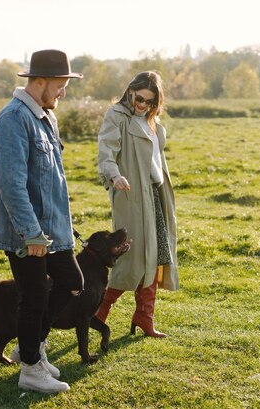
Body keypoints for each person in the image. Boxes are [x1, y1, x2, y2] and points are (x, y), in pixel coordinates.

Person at [0, 49, 84, 394]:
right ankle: (30, 368)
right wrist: (32, 233)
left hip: (51, 228)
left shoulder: (45, 116)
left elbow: (50, 180)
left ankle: (31, 348)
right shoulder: (13, 119)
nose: (63, 92)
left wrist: (59, 225)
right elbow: (11, 185)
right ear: (39, 82)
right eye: (60, 85)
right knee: (35, 297)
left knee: (72, 280)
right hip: (27, 232)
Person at [95, 71, 179, 338]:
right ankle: (97, 315)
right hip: (131, 194)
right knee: (129, 258)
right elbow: (106, 151)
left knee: (156, 256)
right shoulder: (116, 116)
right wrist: (114, 175)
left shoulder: (151, 122)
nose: (141, 105)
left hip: (155, 194)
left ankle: (145, 317)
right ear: (130, 90)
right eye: (139, 98)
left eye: (149, 102)